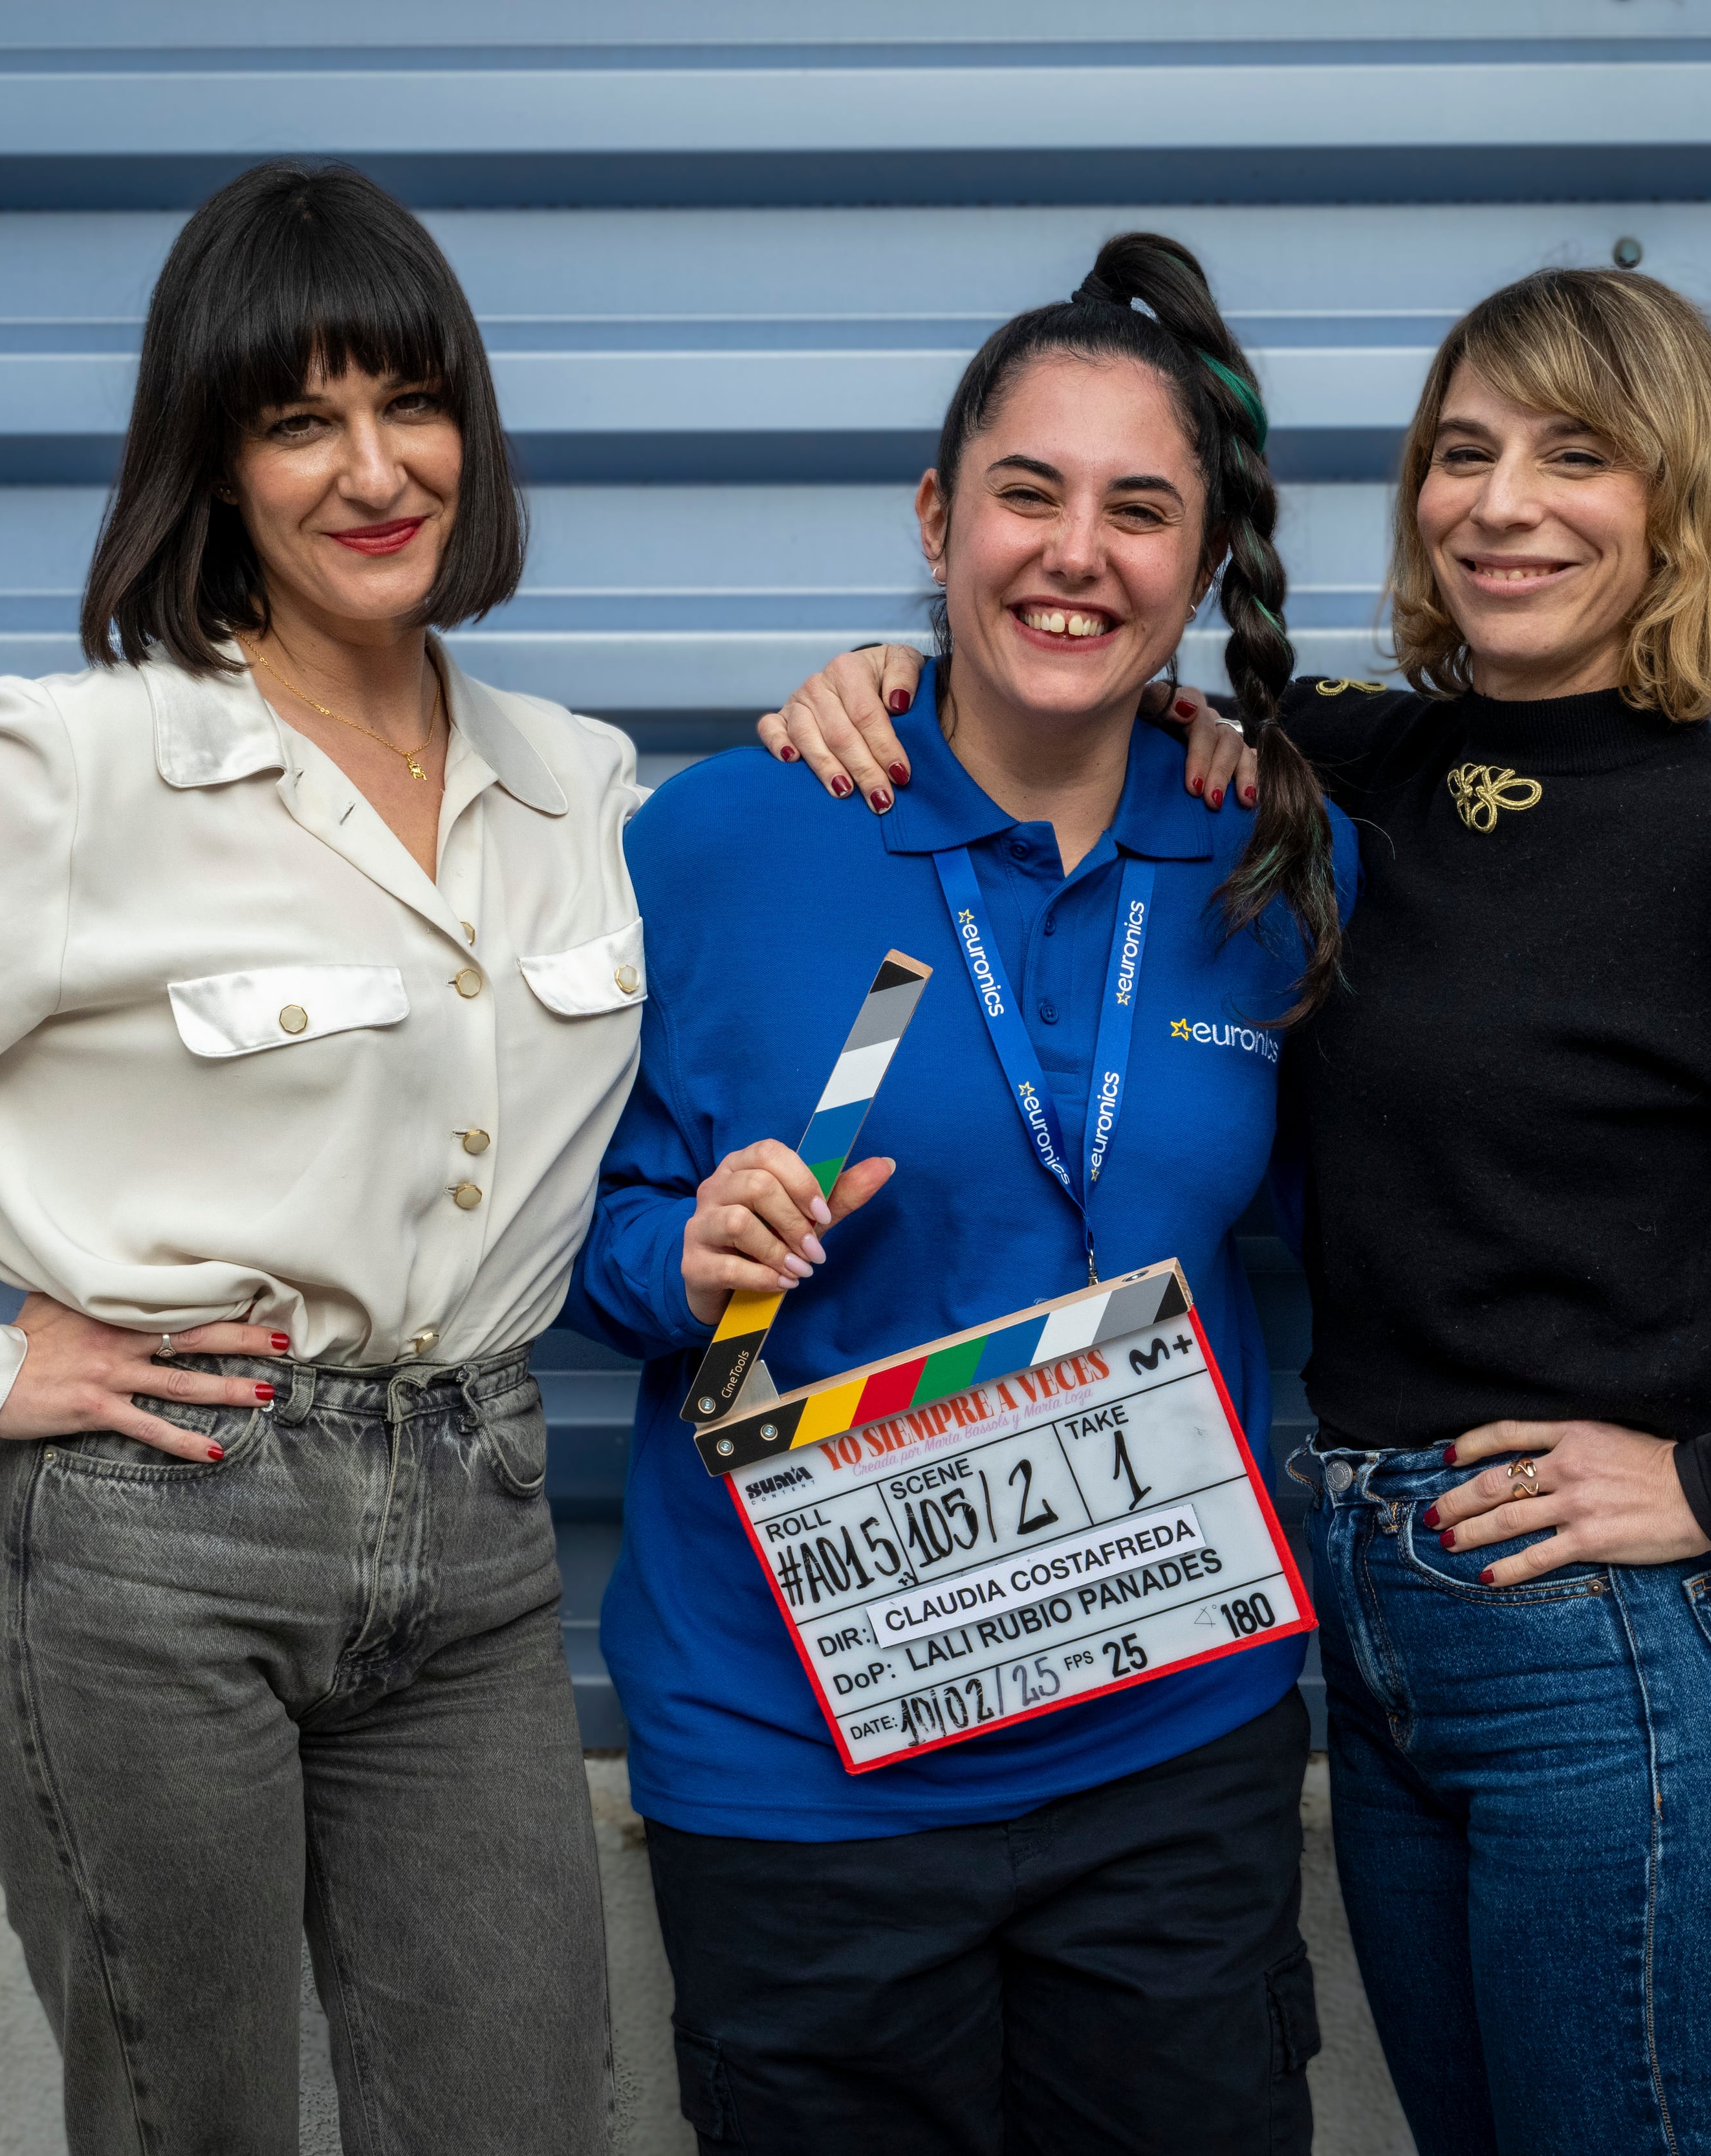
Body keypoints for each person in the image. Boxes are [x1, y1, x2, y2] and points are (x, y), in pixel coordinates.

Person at [764, 266, 1711, 2155]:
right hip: (1367, 1638)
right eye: (1464, 451)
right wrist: (884, 676)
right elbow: (1068, 658)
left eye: (1576, 458)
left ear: (1676, 508)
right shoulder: (1342, 761)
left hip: (1604, 1673)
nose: (1502, 505)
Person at [0, 162, 627, 2154]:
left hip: (479, 1529)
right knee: (187, 2125)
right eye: (297, 419)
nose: (374, 467)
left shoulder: (572, 784)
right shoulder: (80, 773)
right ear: (211, 463)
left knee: (520, 2114)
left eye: (412, 403)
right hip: (162, 1540)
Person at [566, 233, 1354, 2156]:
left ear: (1195, 562)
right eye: (1027, 493)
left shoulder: (1276, 857)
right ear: (937, 517)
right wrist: (685, 1250)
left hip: (1169, 1743)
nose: (1075, 552)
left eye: (1139, 511)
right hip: (800, 1768)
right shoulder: (727, 835)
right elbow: (543, 1239)